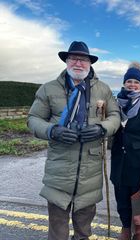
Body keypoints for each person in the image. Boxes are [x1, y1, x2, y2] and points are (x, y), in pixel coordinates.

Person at [27, 41, 120, 240]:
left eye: (83, 59)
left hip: (90, 174)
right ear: (66, 61)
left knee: (84, 231)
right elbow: (33, 119)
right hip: (59, 170)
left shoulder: (103, 89)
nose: (78, 63)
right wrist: (52, 131)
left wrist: (101, 128)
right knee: (58, 230)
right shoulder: (49, 89)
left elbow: (115, 117)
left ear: (90, 63)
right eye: (74, 58)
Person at [110, 62, 140, 240]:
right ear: (124, 84)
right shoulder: (115, 105)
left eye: (136, 82)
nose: (132, 84)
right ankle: (125, 228)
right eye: (129, 81)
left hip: (138, 164)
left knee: (138, 201)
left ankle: (139, 231)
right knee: (121, 199)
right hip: (119, 163)